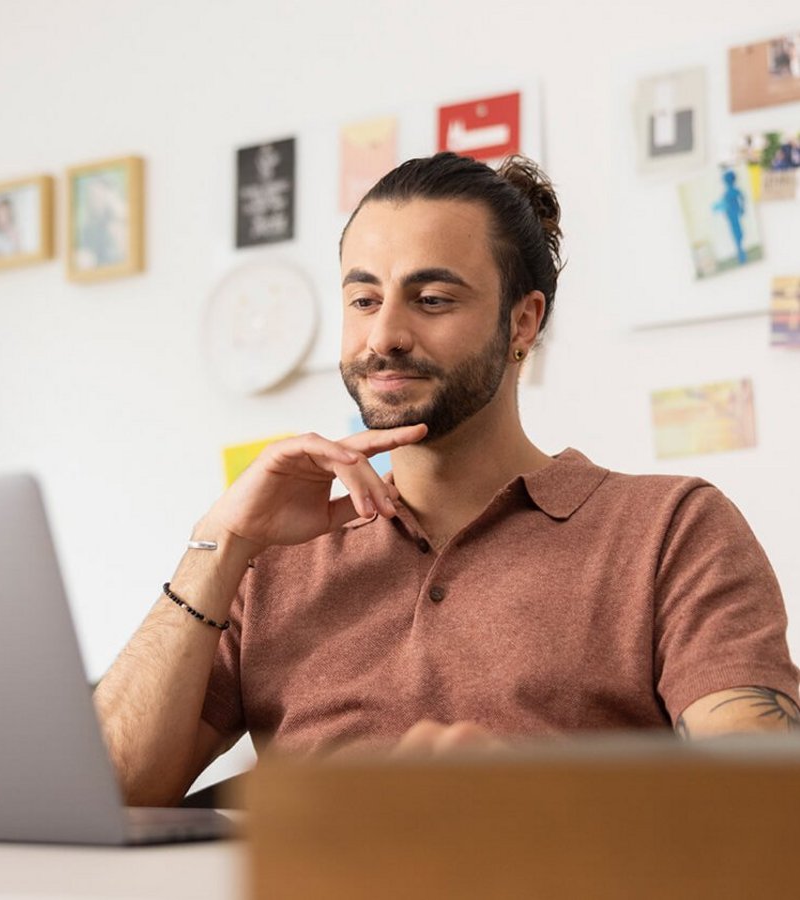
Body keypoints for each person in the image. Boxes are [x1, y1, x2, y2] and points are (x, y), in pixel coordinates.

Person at [94, 152, 800, 807]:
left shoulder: (671, 529)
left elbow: (762, 806)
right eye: (364, 301)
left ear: (523, 322)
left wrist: (531, 802)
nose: (384, 336)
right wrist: (219, 541)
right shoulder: (270, 553)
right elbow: (108, 795)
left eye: (431, 299)